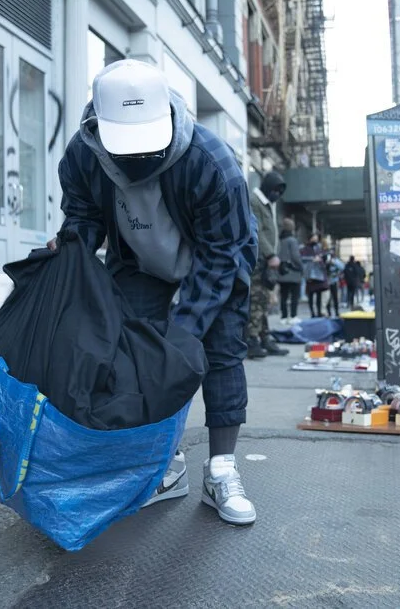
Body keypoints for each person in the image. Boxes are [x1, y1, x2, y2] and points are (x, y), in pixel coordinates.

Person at [53, 59, 257, 525]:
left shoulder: (211, 162)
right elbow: (83, 216)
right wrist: (68, 253)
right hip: (140, 262)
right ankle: (164, 467)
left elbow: (219, 257)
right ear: (98, 127)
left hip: (214, 261)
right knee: (137, 357)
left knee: (220, 352)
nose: (138, 159)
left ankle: (221, 470)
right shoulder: (83, 154)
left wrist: (183, 333)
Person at [245, 171, 289, 359]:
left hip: (265, 261)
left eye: (280, 192)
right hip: (259, 260)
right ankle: (252, 340)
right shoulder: (255, 202)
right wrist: (270, 254)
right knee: (257, 299)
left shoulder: (267, 204)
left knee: (263, 301)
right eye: (275, 190)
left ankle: (264, 337)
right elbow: (257, 231)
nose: (277, 194)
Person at [276, 218, 303, 323]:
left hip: (282, 272)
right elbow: (295, 256)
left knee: (283, 296)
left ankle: (283, 317)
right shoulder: (292, 240)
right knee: (294, 296)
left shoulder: (280, 240)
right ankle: (293, 316)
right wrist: (301, 266)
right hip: (293, 272)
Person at [300, 233, 328, 318]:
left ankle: (319, 312)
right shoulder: (304, 248)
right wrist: (312, 259)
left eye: (316, 238)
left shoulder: (319, 248)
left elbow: (324, 258)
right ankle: (312, 313)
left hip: (319, 274)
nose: (315, 240)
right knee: (311, 294)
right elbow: (302, 258)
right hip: (310, 274)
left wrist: (322, 259)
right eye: (314, 238)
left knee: (319, 294)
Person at [323, 241, 343, 318]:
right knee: (327, 298)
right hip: (327, 282)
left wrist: (333, 262)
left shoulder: (335, 260)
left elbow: (342, 267)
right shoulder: (325, 260)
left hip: (334, 281)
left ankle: (337, 312)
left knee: (335, 298)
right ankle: (329, 312)